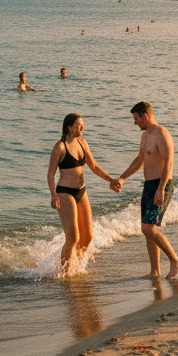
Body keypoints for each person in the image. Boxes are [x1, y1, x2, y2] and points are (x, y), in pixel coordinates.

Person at [117, 101, 178, 280]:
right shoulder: (145, 136)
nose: (134, 122)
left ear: (144, 116)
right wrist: (122, 177)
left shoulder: (161, 134)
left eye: (136, 118)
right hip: (148, 185)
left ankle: (175, 261)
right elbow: (140, 160)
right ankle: (155, 271)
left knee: (148, 228)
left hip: (161, 185)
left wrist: (161, 189)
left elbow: (168, 164)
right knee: (147, 228)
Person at [47, 113, 121, 270]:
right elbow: (50, 174)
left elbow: (93, 166)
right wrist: (54, 195)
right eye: (79, 125)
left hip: (81, 191)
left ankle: (76, 267)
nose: (82, 127)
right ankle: (65, 272)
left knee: (87, 237)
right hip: (65, 192)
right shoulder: (60, 147)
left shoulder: (82, 143)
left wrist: (111, 180)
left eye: (83, 125)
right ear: (69, 126)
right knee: (73, 238)